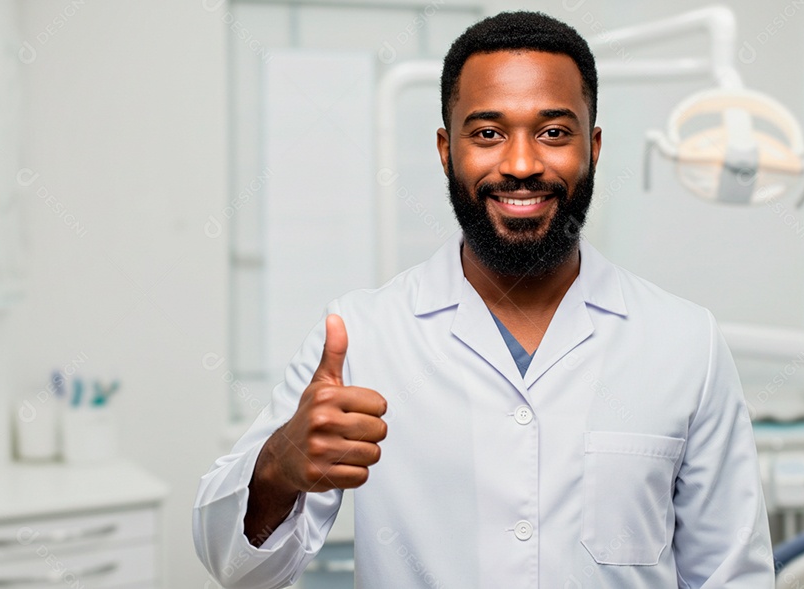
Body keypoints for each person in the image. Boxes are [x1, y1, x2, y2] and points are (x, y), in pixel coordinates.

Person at [193, 10, 773, 588]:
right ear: (446, 151)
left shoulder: (684, 343)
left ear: (593, 147)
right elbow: (236, 568)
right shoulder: (362, 336)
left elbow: (731, 573)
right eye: (488, 133)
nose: (521, 165)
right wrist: (278, 466)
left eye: (553, 132)